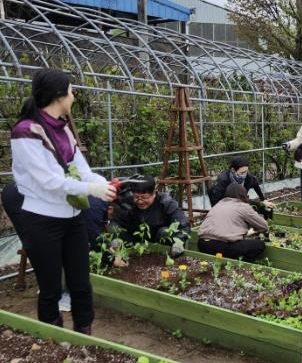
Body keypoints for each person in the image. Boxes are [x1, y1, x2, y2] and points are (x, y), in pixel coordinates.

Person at [9, 68, 117, 334]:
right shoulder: (26, 132)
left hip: (72, 217)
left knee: (81, 283)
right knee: (50, 287)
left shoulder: (63, 129)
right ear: (58, 95)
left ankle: (84, 335)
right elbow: (49, 181)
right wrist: (91, 189)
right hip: (42, 220)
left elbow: (81, 169)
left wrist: (102, 184)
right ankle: (54, 339)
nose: (73, 95)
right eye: (70, 90)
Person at [111, 174, 190, 256]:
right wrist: (116, 237)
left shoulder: (165, 203)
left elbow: (184, 225)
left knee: (164, 232)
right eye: (136, 197)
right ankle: (130, 254)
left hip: (159, 240)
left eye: (144, 198)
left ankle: (166, 255)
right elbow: (116, 222)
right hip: (137, 242)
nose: (140, 201)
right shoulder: (129, 203)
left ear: (154, 194)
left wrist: (179, 241)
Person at [198, 184, 269, 261]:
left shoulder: (219, 204)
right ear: (243, 195)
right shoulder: (243, 206)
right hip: (220, 247)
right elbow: (264, 226)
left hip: (202, 244)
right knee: (259, 245)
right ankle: (241, 263)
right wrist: (255, 228)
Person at [209, 156, 275, 210]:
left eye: (246, 171)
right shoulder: (223, 180)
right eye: (242, 173)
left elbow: (256, 185)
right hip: (224, 204)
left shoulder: (248, 177)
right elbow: (216, 199)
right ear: (233, 170)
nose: (244, 175)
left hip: (239, 203)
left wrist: (263, 200)